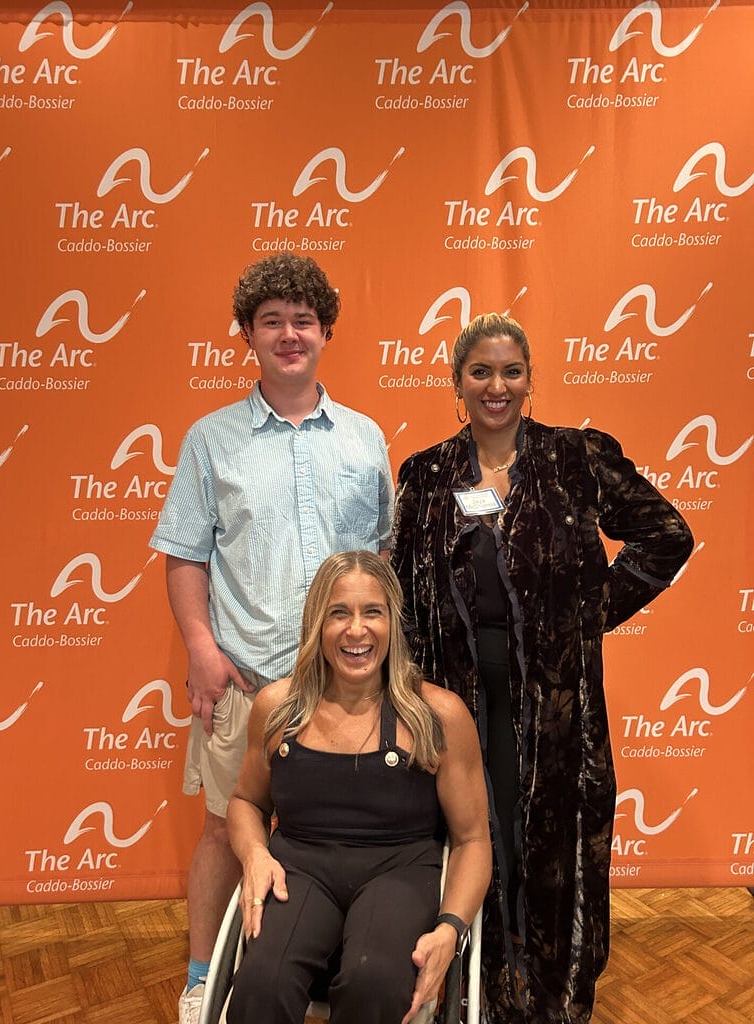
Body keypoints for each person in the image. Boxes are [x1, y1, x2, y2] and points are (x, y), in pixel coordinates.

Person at [390, 313, 694, 1023]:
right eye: (480, 371)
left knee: (553, 842)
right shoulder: (426, 474)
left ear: (530, 380)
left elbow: (667, 535)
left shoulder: (575, 458)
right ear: (458, 382)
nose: (496, 386)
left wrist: (589, 614)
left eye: (511, 371)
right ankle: (475, 988)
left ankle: (550, 993)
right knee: (477, 832)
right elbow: (401, 587)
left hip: (558, 704)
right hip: (458, 701)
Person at [149, 255, 394, 1024]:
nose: (290, 335)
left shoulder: (365, 437)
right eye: (272, 322)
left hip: (350, 690)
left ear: (325, 333)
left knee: (346, 840)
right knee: (226, 829)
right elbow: (185, 555)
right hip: (247, 681)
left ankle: (319, 973)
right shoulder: (210, 440)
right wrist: (201, 649)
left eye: (303, 321)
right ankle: (203, 977)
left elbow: (383, 557)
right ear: (248, 335)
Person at [225, 551, 492, 1024]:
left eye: (372, 612)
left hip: (400, 871)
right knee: (261, 983)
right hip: (299, 869)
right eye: (338, 613)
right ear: (316, 623)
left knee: (375, 981)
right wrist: (254, 855)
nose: (356, 630)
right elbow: (247, 801)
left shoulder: (438, 715)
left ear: (392, 621)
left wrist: (451, 929)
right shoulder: (278, 708)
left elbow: (472, 840)